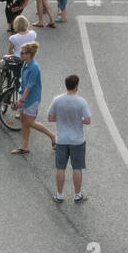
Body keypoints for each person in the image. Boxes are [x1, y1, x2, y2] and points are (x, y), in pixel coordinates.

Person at [48, 73, 92, 203]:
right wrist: (79, 120)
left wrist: (61, 119)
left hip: (61, 139)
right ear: (76, 86)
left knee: (60, 168)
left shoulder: (57, 100)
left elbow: (50, 118)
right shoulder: (81, 102)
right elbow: (88, 120)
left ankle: (59, 195)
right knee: (77, 168)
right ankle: (77, 195)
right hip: (77, 140)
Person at [12, 42, 56, 154]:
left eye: (22, 53)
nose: (20, 54)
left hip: (31, 99)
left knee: (30, 122)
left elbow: (30, 86)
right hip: (24, 95)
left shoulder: (34, 68)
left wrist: (21, 100)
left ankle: (53, 136)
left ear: (29, 54)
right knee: (23, 120)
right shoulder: (25, 64)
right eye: (20, 52)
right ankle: (24, 145)